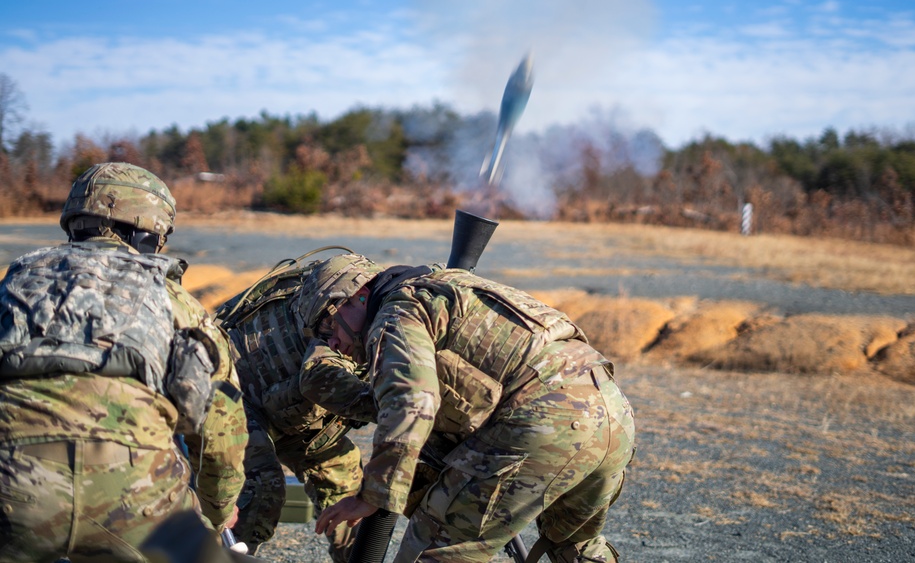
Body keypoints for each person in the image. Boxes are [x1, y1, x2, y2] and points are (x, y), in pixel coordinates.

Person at [311, 253, 636, 563]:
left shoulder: (395, 314)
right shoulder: (449, 286)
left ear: (360, 295)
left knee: (434, 549)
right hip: (612, 412)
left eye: (329, 325)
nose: (333, 343)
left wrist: (373, 495)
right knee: (572, 544)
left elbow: (410, 403)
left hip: (547, 420)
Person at [0, 162, 248, 563]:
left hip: (14, 494)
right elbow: (223, 427)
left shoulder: (13, 287)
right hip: (139, 501)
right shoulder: (177, 304)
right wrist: (216, 517)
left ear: (74, 224)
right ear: (151, 234)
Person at [213, 249, 381, 562]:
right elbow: (317, 377)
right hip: (238, 400)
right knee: (262, 489)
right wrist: (388, 408)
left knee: (349, 492)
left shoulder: (388, 314)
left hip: (302, 419)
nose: (332, 337)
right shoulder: (336, 323)